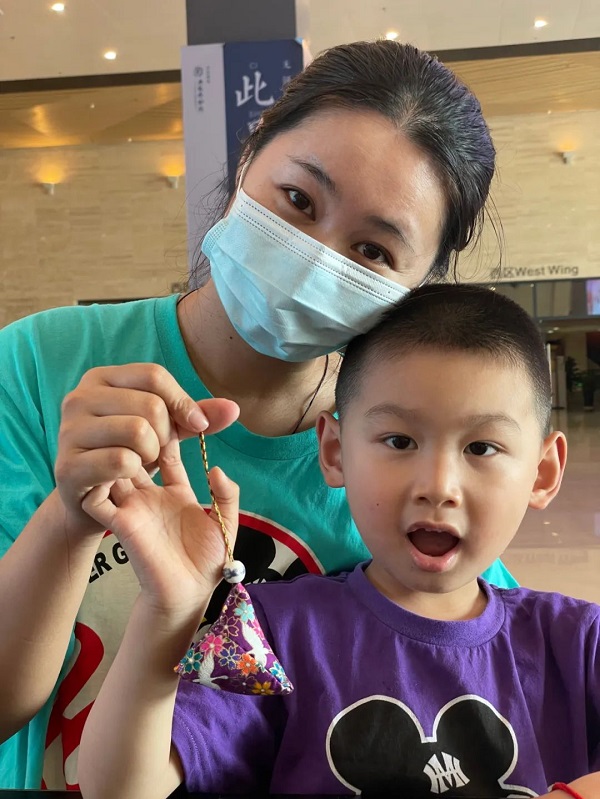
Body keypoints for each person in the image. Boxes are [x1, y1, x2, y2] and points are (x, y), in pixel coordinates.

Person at [0, 40, 516, 790]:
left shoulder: (400, 453)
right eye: (299, 200)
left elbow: (493, 669)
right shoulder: (38, 364)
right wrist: (66, 519)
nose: (313, 256)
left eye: (372, 250)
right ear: (250, 156)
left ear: (418, 289)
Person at [78, 284, 600, 799]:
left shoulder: (579, 643)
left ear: (542, 472)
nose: (439, 486)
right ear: (334, 451)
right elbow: (121, 789)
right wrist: (167, 610)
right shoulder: (271, 633)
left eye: (482, 447)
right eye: (399, 441)